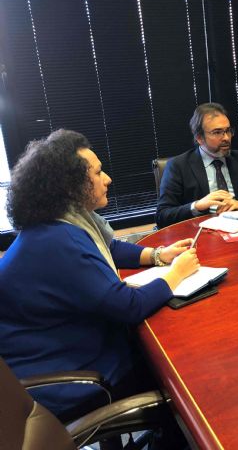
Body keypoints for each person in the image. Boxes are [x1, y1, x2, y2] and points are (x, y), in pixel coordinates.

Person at [0, 129, 200, 421]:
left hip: (60, 348)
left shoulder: (58, 224)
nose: (107, 179)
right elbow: (129, 307)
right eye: (97, 172)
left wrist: (158, 255)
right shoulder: (58, 242)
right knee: (184, 377)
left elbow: (109, 247)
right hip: (70, 378)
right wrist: (176, 274)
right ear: (71, 186)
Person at [156, 102, 238, 228]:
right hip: (202, 231)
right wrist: (197, 206)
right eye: (217, 132)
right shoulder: (178, 166)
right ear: (199, 137)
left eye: (228, 131)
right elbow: (162, 216)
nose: (226, 138)